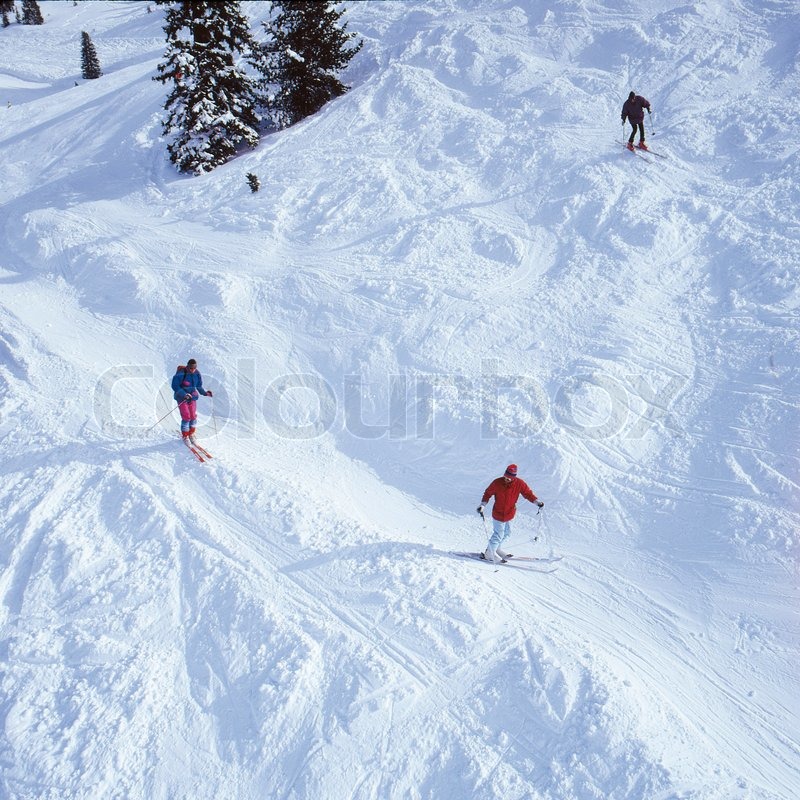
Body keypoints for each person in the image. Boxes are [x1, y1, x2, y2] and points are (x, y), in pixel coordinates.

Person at [477, 464, 544, 563]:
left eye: (509, 478)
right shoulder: (497, 482)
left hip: (509, 513)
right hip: (498, 513)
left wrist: (537, 502)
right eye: (505, 476)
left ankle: (497, 549)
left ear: (514, 477)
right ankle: (489, 553)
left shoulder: (520, 483)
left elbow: (528, 494)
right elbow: (487, 493)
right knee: (498, 534)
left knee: (507, 533)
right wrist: (482, 505)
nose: (506, 479)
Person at [171, 358, 212, 440]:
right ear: (187, 366)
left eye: (194, 368)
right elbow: (175, 386)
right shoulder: (181, 373)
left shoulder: (197, 374)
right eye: (191, 368)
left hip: (192, 397)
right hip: (182, 397)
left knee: (193, 416)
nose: (192, 370)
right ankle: (185, 435)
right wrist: (184, 394)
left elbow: (199, 386)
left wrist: (205, 393)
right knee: (186, 416)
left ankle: (191, 433)